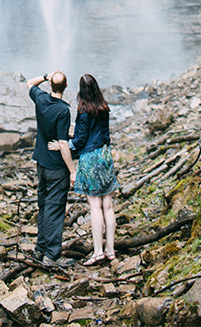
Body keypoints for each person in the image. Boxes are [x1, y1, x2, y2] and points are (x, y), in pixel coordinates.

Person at [64, 73, 118, 266]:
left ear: (81, 91)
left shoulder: (84, 111)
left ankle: (97, 252)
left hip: (90, 158)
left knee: (95, 207)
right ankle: (110, 250)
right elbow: (105, 135)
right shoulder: (104, 108)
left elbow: (79, 140)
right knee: (108, 206)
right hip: (105, 155)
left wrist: (64, 147)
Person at [27, 70, 76, 266]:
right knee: (55, 210)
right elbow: (63, 144)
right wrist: (72, 170)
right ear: (65, 86)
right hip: (57, 167)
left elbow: (30, 82)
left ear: (49, 86)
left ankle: (40, 249)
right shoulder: (63, 111)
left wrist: (46, 76)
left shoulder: (41, 99)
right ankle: (52, 255)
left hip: (42, 164)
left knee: (44, 206)